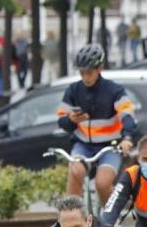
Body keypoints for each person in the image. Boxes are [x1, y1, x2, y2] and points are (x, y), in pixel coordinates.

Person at [57, 43, 137, 205]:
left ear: (100, 68)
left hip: (110, 146)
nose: (85, 77)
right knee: (76, 171)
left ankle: (110, 220)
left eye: (89, 72)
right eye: (81, 73)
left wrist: (127, 138)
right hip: (83, 144)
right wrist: (71, 120)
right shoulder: (73, 90)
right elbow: (61, 120)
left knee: (102, 183)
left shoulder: (114, 90)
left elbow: (127, 115)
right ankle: (72, 216)